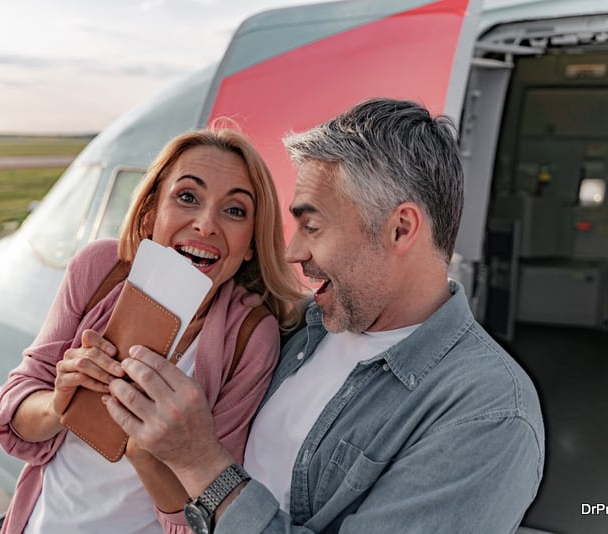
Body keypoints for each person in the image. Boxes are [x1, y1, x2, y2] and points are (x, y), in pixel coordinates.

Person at [104, 98, 546, 533]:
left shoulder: (490, 414)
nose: (294, 252)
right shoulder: (296, 325)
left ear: (401, 228)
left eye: (312, 226)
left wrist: (199, 461)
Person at [0, 127, 304, 534]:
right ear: (151, 212)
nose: (206, 225)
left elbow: (207, 512)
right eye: (187, 197)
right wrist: (57, 404)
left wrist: (151, 453)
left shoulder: (250, 337)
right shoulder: (99, 269)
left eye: (235, 210)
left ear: (250, 244)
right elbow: (13, 409)